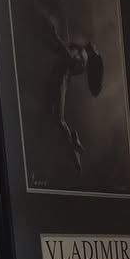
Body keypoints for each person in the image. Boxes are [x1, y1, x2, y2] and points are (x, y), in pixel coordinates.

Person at [45, 16, 103, 174]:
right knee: (53, 116)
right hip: (58, 78)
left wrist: (55, 36)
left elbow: (67, 56)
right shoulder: (81, 52)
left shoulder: (83, 57)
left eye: (95, 48)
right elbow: (64, 52)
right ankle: (74, 143)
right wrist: (56, 39)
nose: (93, 43)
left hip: (60, 80)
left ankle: (74, 147)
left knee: (59, 119)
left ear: (92, 54)